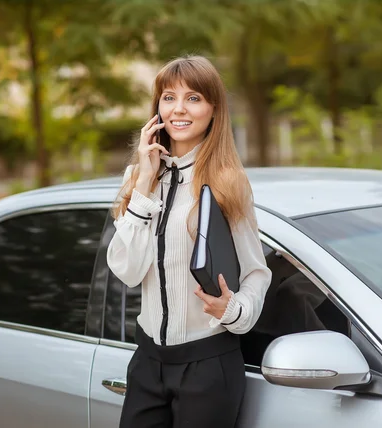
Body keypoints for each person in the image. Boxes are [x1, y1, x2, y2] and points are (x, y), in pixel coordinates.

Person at [106, 55, 272, 428]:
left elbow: (257, 273)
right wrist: (145, 185)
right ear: (157, 108)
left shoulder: (229, 181)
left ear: (214, 110)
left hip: (208, 366)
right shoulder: (137, 177)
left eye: (194, 98)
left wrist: (235, 311)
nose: (178, 109)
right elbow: (127, 271)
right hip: (148, 363)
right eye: (168, 97)